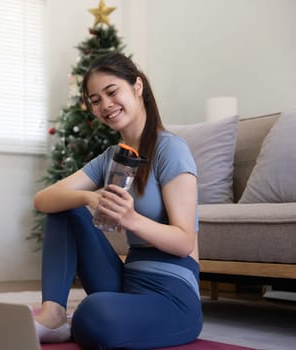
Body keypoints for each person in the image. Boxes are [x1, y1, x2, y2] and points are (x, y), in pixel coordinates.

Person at [33, 52, 202, 349]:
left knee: (94, 313)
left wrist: (130, 219)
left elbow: (185, 242)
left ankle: (85, 319)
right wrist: (88, 197)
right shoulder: (112, 157)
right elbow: (43, 199)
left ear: (137, 86)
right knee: (64, 208)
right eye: (95, 100)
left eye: (112, 92)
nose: (105, 106)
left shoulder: (171, 149)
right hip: (126, 281)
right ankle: (53, 315)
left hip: (172, 296)